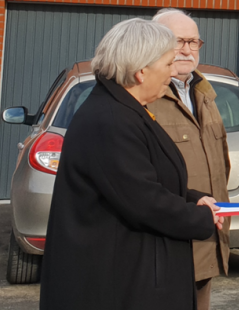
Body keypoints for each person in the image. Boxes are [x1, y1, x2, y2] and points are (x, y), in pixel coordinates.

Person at [40, 18, 220, 310]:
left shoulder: (128, 111)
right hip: (115, 285)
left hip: (134, 275)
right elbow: (142, 199)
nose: (173, 72)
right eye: (167, 64)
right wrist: (199, 219)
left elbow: (149, 179)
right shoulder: (110, 120)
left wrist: (196, 200)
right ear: (140, 72)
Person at [146, 9, 230, 310]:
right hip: (165, 245)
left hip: (205, 236)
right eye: (177, 41)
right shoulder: (146, 97)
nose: (186, 49)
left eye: (193, 42)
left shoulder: (205, 94)